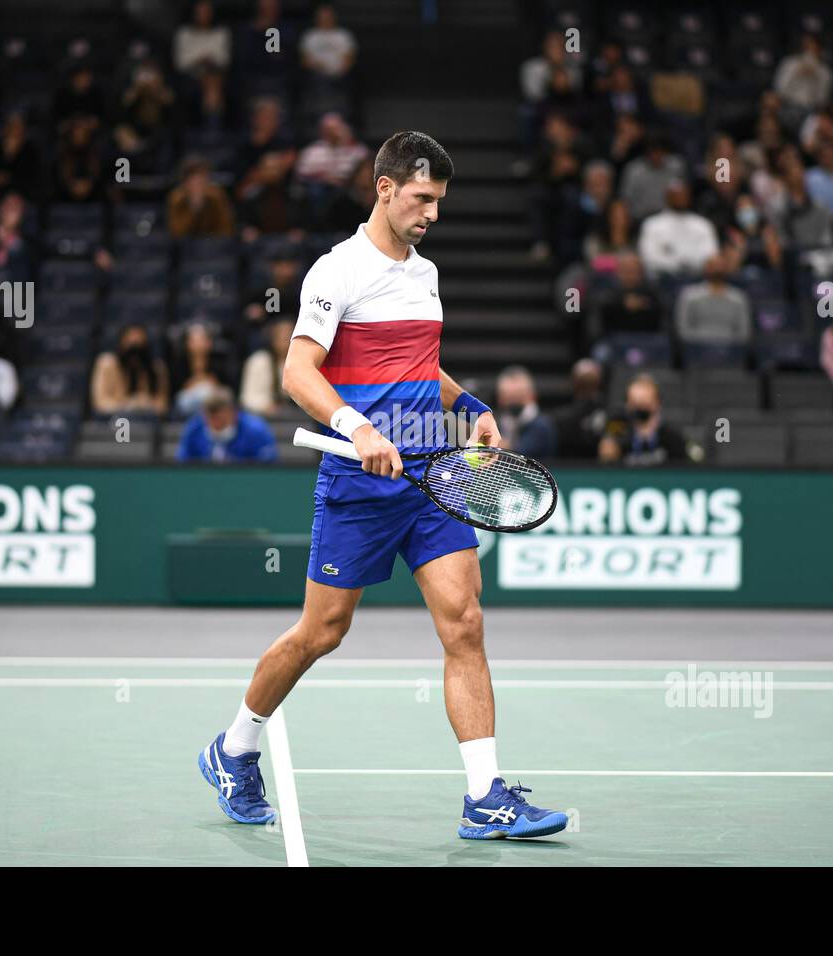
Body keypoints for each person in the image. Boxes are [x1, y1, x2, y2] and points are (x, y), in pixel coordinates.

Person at [198, 130, 568, 841]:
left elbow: (417, 365)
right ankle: (234, 747)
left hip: (430, 474)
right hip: (358, 483)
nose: (432, 212)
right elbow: (298, 372)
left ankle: (485, 796)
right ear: (386, 188)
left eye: (440, 202)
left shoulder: (424, 276)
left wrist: (472, 407)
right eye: (422, 198)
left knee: (465, 621)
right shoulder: (335, 272)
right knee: (321, 633)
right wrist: (358, 429)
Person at [598, 373, 693, 466]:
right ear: (627, 404)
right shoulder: (617, 429)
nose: (639, 408)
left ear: (657, 403)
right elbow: (604, 456)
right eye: (634, 403)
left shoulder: (673, 439)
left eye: (644, 402)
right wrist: (608, 454)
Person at [637, 180, 718, 278]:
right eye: (676, 195)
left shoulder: (702, 225)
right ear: (667, 197)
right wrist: (675, 265)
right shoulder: (652, 225)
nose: (680, 199)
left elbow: (710, 255)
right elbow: (648, 257)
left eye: (683, 195)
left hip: (697, 277)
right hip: (663, 279)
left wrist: (688, 263)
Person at [673, 248, 753, 346]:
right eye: (713, 265)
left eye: (720, 265)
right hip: (696, 351)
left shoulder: (738, 298)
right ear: (706, 268)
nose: (717, 269)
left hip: (730, 351)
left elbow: (744, 333)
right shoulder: (689, 296)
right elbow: (683, 330)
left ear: (726, 268)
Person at [176, 386, 277, 462]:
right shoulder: (193, 430)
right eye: (210, 419)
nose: (216, 424)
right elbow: (182, 462)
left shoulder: (256, 431)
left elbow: (268, 465)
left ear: (233, 413)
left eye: (220, 420)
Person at [90, 323, 170, 416]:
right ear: (121, 343)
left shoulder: (157, 368)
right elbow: (100, 402)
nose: (135, 345)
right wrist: (127, 405)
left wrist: (145, 403)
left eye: (139, 346)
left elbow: (163, 405)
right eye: (130, 344)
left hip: (145, 420)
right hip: (115, 422)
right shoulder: (107, 364)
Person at [493, 364, 557, 459]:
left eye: (519, 396)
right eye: (508, 398)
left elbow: (520, 454)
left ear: (532, 396)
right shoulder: (497, 421)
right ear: (500, 399)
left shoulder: (542, 425)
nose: (513, 402)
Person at [549, 357, 607, 459]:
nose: (587, 384)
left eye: (591, 380)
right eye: (584, 380)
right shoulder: (559, 419)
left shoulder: (610, 414)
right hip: (569, 467)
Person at [239, 317, 295, 416]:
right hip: (262, 417)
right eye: (281, 335)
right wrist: (266, 406)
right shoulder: (258, 361)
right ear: (272, 338)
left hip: (296, 417)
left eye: (289, 335)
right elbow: (247, 398)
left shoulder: (302, 364)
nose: (286, 339)